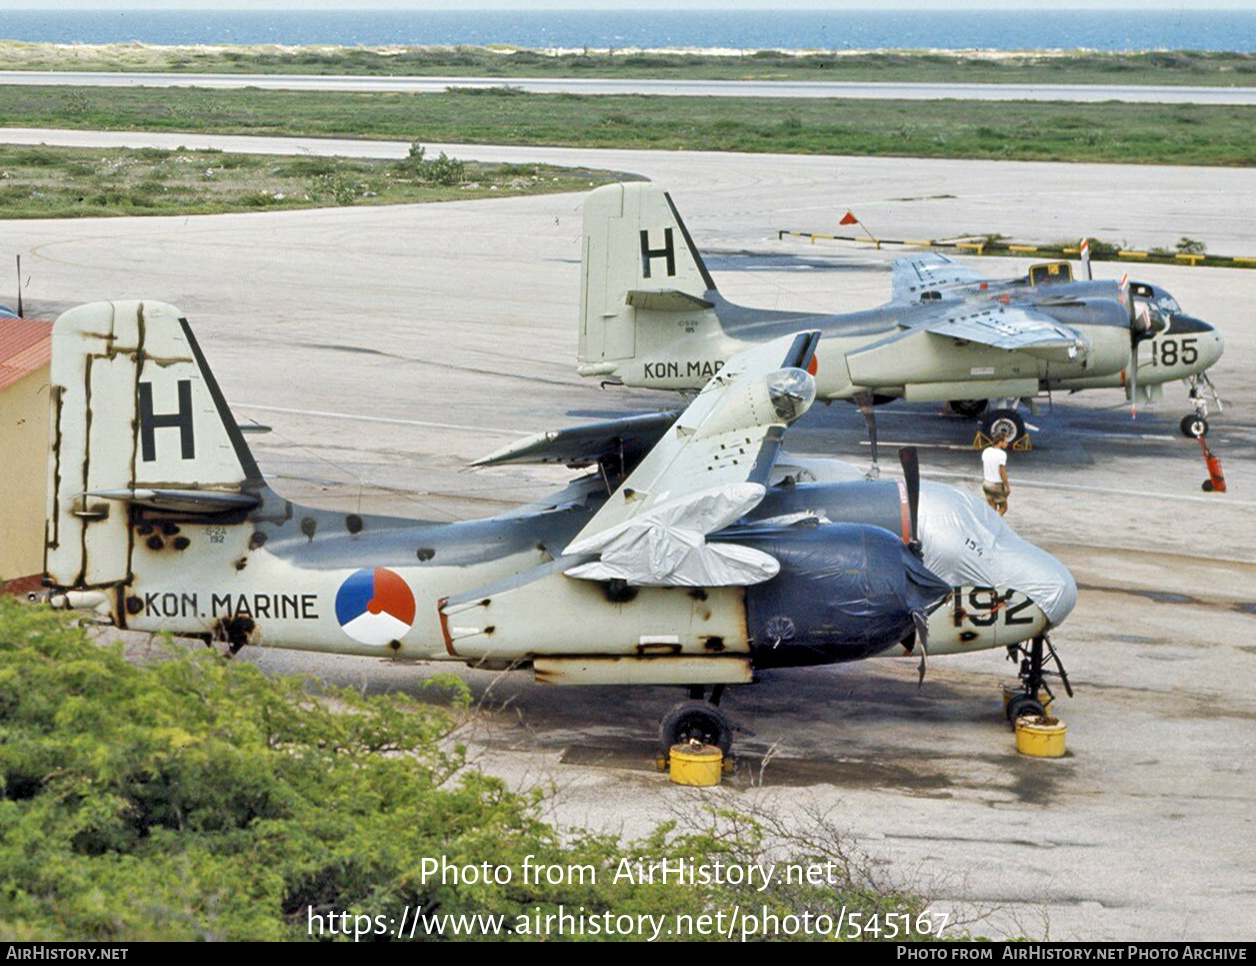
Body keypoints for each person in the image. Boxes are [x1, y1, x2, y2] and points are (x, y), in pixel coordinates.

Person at [982, 432, 1011, 515]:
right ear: (1000, 442)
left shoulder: (986, 451)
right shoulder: (1002, 454)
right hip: (996, 485)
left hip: (986, 483)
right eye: (1005, 442)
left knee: (992, 507)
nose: (1007, 444)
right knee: (1003, 508)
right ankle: (994, 523)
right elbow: (1002, 472)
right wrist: (1007, 486)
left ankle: (990, 521)